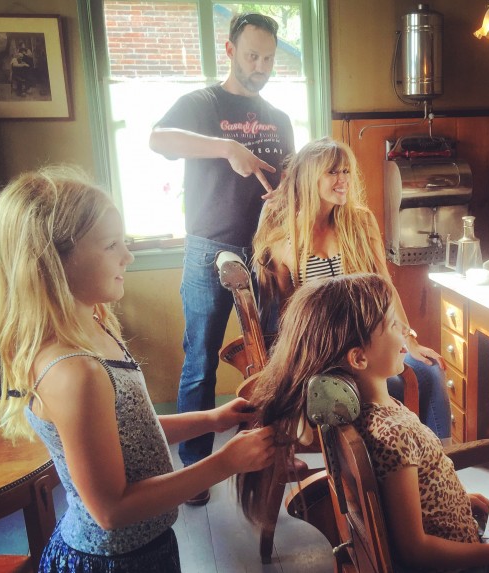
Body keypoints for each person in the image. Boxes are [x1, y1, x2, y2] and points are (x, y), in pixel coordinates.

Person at [0, 166, 275, 573]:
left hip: (144, 547)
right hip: (111, 561)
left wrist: (212, 418)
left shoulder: (94, 325)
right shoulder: (74, 371)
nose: (128, 255)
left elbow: (128, 431)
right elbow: (111, 510)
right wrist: (225, 463)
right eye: (110, 245)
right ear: (52, 261)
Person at [237, 273, 489, 572]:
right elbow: (414, 549)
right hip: (474, 562)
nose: (404, 328)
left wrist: (457, 499)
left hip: (470, 532)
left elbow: (406, 494)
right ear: (359, 358)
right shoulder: (392, 435)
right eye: (391, 324)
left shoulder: (371, 411)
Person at [149, 11, 294, 504]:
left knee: (274, 358)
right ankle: (196, 470)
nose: (261, 66)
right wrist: (225, 147)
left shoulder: (280, 117)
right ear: (230, 51)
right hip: (209, 246)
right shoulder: (201, 103)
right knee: (200, 361)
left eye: (269, 58)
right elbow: (158, 139)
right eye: (252, 55)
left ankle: (273, 452)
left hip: (265, 252)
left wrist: (287, 201)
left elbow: (287, 182)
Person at [252, 136, 451, 440]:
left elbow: (386, 286)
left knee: (429, 370)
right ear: (309, 178)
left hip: (373, 336)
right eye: (332, 172)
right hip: (326, 351)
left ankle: (439, 459)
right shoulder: (283, 242)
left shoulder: (360, 222)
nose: (343, 180)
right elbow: (289, 320)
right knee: (395, 385)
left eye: (346, 172)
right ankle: (389, 463)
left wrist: (408, 338)